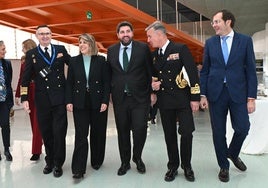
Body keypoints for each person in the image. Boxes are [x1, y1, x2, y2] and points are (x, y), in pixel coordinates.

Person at [199, 10, 257, 182]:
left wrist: (251, 98)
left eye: (217, 21)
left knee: (242, 128)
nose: (214, 25)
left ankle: (232, 153)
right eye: (213, 22)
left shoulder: (245, 41)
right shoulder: (210, 43)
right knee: (218, 132)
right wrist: (203, 94)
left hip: (238, 92)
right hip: (216, 93)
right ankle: (223, 166)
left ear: (228, 22)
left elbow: (251, 71)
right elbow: (205, 71)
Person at [146, 21, 200, 182]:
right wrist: (153, 87)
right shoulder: (154, 56)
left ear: (160, 34)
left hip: (182, 100)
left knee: (187, 132)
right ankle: (173, 166)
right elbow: (154, 76)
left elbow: (192, 74)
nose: (148, 40)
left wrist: (195, 98)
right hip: (165, 102)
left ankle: (187, 166)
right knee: (169, 135)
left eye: (150, 36)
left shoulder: (180, 49)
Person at [20, 25, 70, 177]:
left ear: (51, 35)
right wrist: (24, 98)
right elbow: (25, 79)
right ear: (37, 36)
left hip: (60, 99)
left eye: (47, 33)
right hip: (42, 101)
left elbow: (74, 67)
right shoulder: (31, 54)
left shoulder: (60, 49)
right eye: (41, 34)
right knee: (47, 132)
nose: (45, 36)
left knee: (59, 132)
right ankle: (50, 162)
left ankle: (58, 164)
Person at [107, 21, 153, 176]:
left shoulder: (143, 48)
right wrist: (109, 94)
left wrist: (152, 93)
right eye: (122, 32)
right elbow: (110, 74)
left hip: (140, 97)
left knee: (140, 129)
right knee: (123, 131)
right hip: (120, 98)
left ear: (132, 33)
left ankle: (137, 157)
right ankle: (125, 162)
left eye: (128, 31)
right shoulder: (111, 50)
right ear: (118, 35)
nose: (125, 34)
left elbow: (149, 71)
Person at [66, 33, 111, 179]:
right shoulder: (73, 61)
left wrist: (105, 101)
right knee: (81, 134)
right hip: (79, 102)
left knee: (98, 132)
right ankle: (78, 168)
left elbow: (106, 83)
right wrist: (69, 100)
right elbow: (69, 84)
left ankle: (97, 161)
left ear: (91, 44)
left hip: (98, 102)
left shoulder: (101, 60)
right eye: (80, 42)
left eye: (85, 42)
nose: (82, 45)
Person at [15, 39, 43, 161]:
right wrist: (19, 95)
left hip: (39, 91)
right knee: (32, 120)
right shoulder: (24, 62)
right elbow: (22, 80)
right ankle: (39, 142)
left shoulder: (41, 58)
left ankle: (36, 150)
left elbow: (46, 73)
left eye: (23, 48)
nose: (22, 50)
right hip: (29, 91)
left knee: (37, 120)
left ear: (29, 47)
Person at [0, 40, 14, 161]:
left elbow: (9, 82)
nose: (5, 51)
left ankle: (6, 149)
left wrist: (10, 102)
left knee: (5, 125)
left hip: (4, 101)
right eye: (3, 49)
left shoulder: (7, 63)